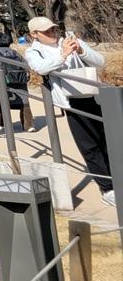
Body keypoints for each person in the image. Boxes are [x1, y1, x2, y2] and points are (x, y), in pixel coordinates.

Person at [23, 16, 113, 207]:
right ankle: (107, 187)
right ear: (34, 35)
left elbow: (100, 61)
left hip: (93, 95)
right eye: (47, 31)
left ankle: (116, 177)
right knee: (89, 145)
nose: (52, 34)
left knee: (109, 140)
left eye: (54, 29)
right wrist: (63, 55)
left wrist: (80, 51)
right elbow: (40, 68)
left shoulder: (73, 41)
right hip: (71, 101)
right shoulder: (33, 51)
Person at [0, 32, 34, 133]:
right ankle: (28, 125)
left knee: (2, 100)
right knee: (24, 102)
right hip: (19, 81)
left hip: (3, 81)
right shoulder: (15, 53)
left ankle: (0, 123)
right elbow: (26, 66)